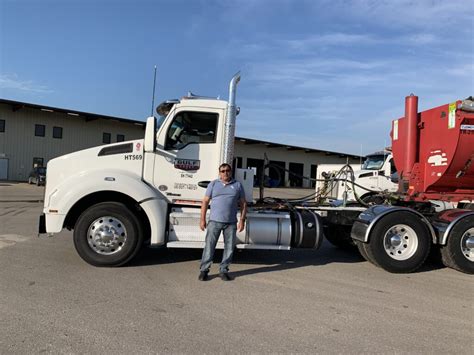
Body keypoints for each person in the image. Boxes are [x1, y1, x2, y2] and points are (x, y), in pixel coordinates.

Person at [199, 163, 247, 281]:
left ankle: (223, 270)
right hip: (214, 222)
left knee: (229, 248)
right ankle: (204, 270)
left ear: (231, 172)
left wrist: (242, 220)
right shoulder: (213, 184)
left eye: (228, 170)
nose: (225, 173)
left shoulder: (237, 185)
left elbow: (243, 203)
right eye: (223, 171)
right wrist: (202, 219)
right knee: (209, 246)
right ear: (219, 173)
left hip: (230, 223)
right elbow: (205, 201)